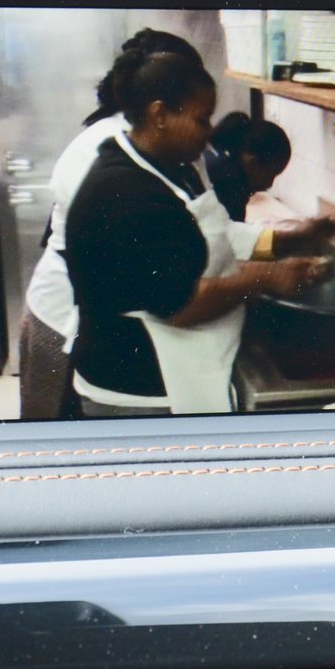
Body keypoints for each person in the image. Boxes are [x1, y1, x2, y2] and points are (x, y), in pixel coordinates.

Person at [63, 51, 332, 416]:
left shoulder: (172, 168)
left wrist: (282, 252)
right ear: (159, 115)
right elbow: (180, 305)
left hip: (175, 365)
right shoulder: (127, 191)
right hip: (138, 388)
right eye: (201, 119)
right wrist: (265, 278)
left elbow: (208, 244)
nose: (208, 133)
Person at [18, 30, 204, 421]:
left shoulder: (142, 141)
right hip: (62, 318)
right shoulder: (105, 146)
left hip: (85, 317)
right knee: (54, 436)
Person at [204, 111, 292, 223]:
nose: (270, 184)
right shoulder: (230, 182)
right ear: (253, 164)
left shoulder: (224, 159)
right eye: (270, 175)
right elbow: (230, 230)